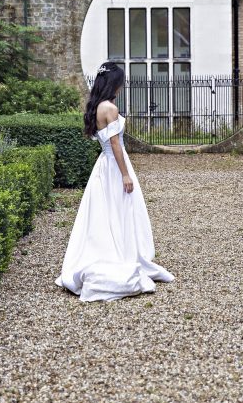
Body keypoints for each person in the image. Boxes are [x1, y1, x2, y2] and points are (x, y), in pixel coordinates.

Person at [54, 61, 175, 302]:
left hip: (103, 166)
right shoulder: (109, 108)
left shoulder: (96, 106)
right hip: (114, 165)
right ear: (114, 83)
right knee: (121, 209)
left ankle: (115, 249)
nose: (122, 85)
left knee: (105, 211)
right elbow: (115, 144)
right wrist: (125, 174)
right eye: (120, 81)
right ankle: (121, 255)